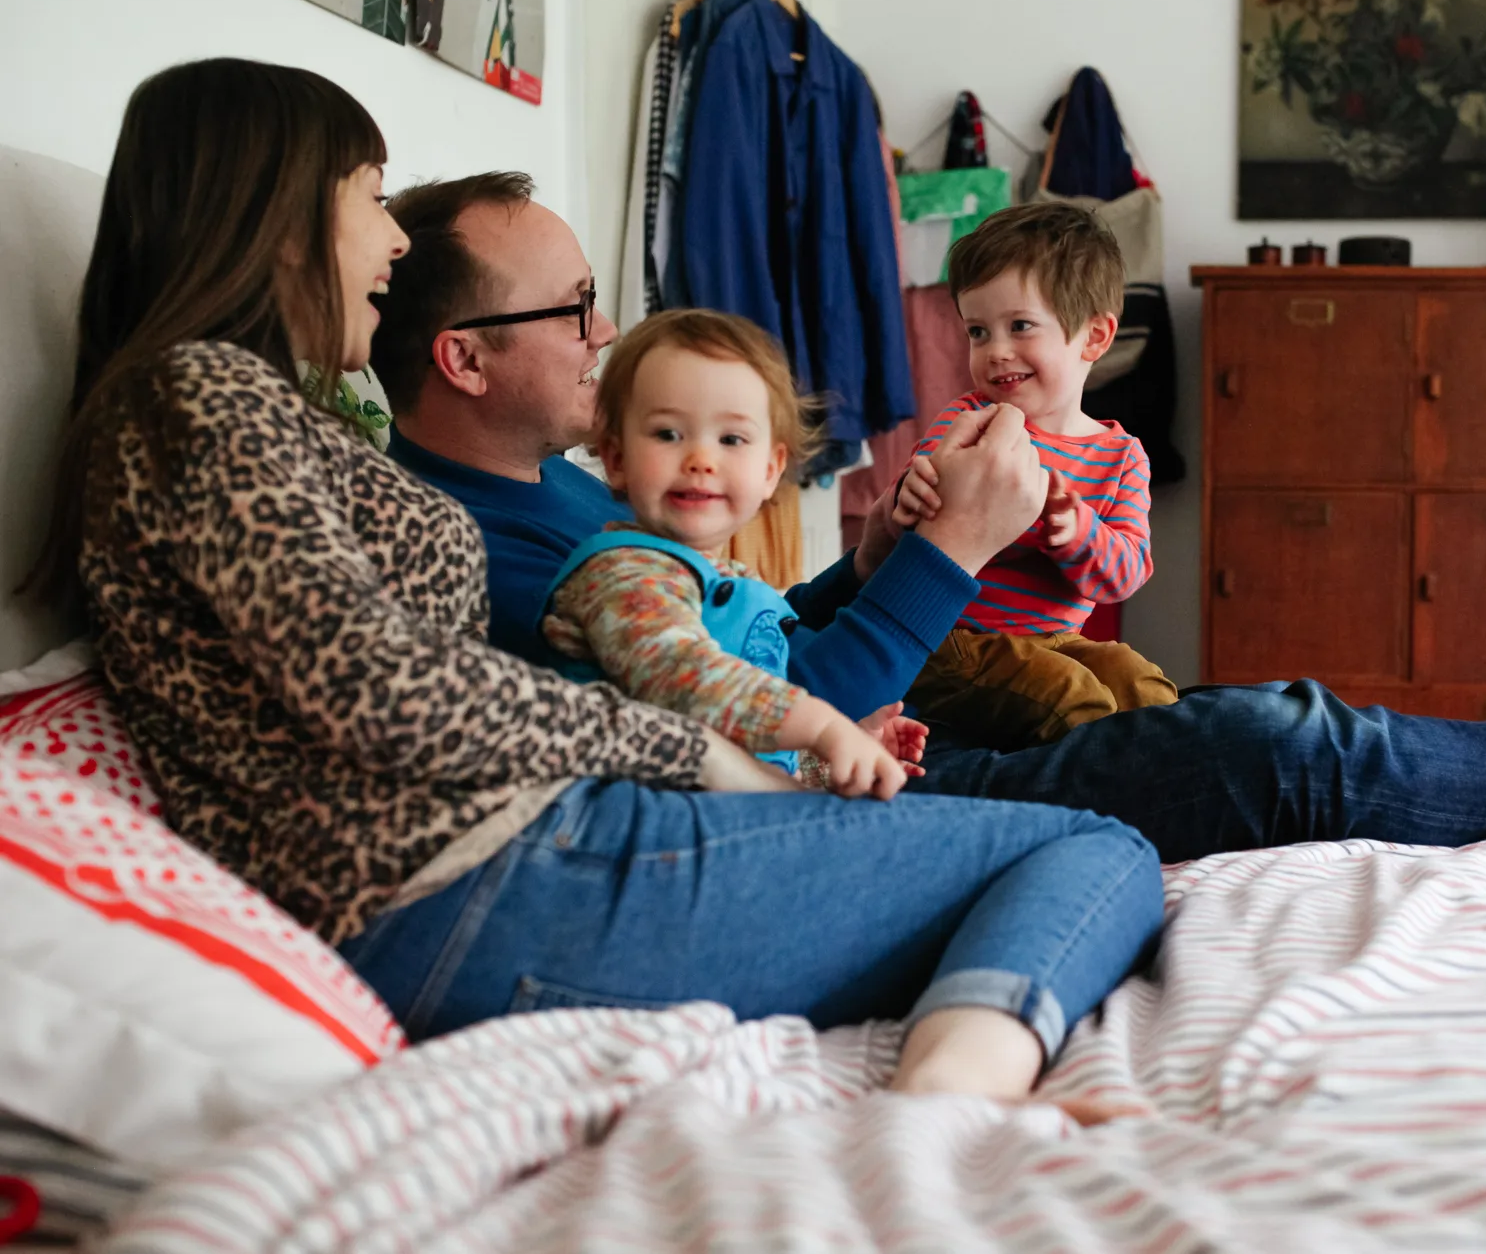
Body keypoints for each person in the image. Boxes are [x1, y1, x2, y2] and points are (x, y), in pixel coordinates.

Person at [38, 57, 1165, 1110]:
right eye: (369, 196)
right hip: (482, 874)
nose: (392, 239)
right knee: (1095, 845)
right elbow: (380, 687)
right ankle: (946, 1106)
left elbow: (724, 642)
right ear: (279, 222)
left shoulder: (267, 415)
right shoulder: (201, 397)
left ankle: (954, 1079)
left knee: (1109, 819)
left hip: (535, 843)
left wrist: (868, 575)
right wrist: (712, 754)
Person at [370, 172, 1486, 864]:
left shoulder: (563, 489)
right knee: (1275, 744)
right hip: (869, 783)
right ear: (463, 357)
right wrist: (943, 557)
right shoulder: (486, 543)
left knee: (1252, 720)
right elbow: (774, 718)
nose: (604, 330)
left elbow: (780, 640)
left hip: (896, 728)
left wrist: (883, 557)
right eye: (570, 308)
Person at [538, 307, 927, 795]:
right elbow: (685, 680)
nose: (701, 459)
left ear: (770, 470)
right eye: (668, 434)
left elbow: (746, 750)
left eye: (731, 438)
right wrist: (821, 726)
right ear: (616, 459)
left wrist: (832, 761)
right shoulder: (621, 575)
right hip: (630, 818)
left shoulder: (737, 583)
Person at [891, 203, 1177, 751]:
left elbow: (1125, 574)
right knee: (1074, 699)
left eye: (1020, 326)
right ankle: (1103, 788)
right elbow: (919, 496)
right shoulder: (970, 420)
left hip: (1055, 640)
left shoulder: (1122, 457)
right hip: (952, 642)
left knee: (1142, 686)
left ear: (1094, 337)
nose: (996, 352)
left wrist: (1078, 534)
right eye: (978, 332)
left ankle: (1176, 778)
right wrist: (913, 495)